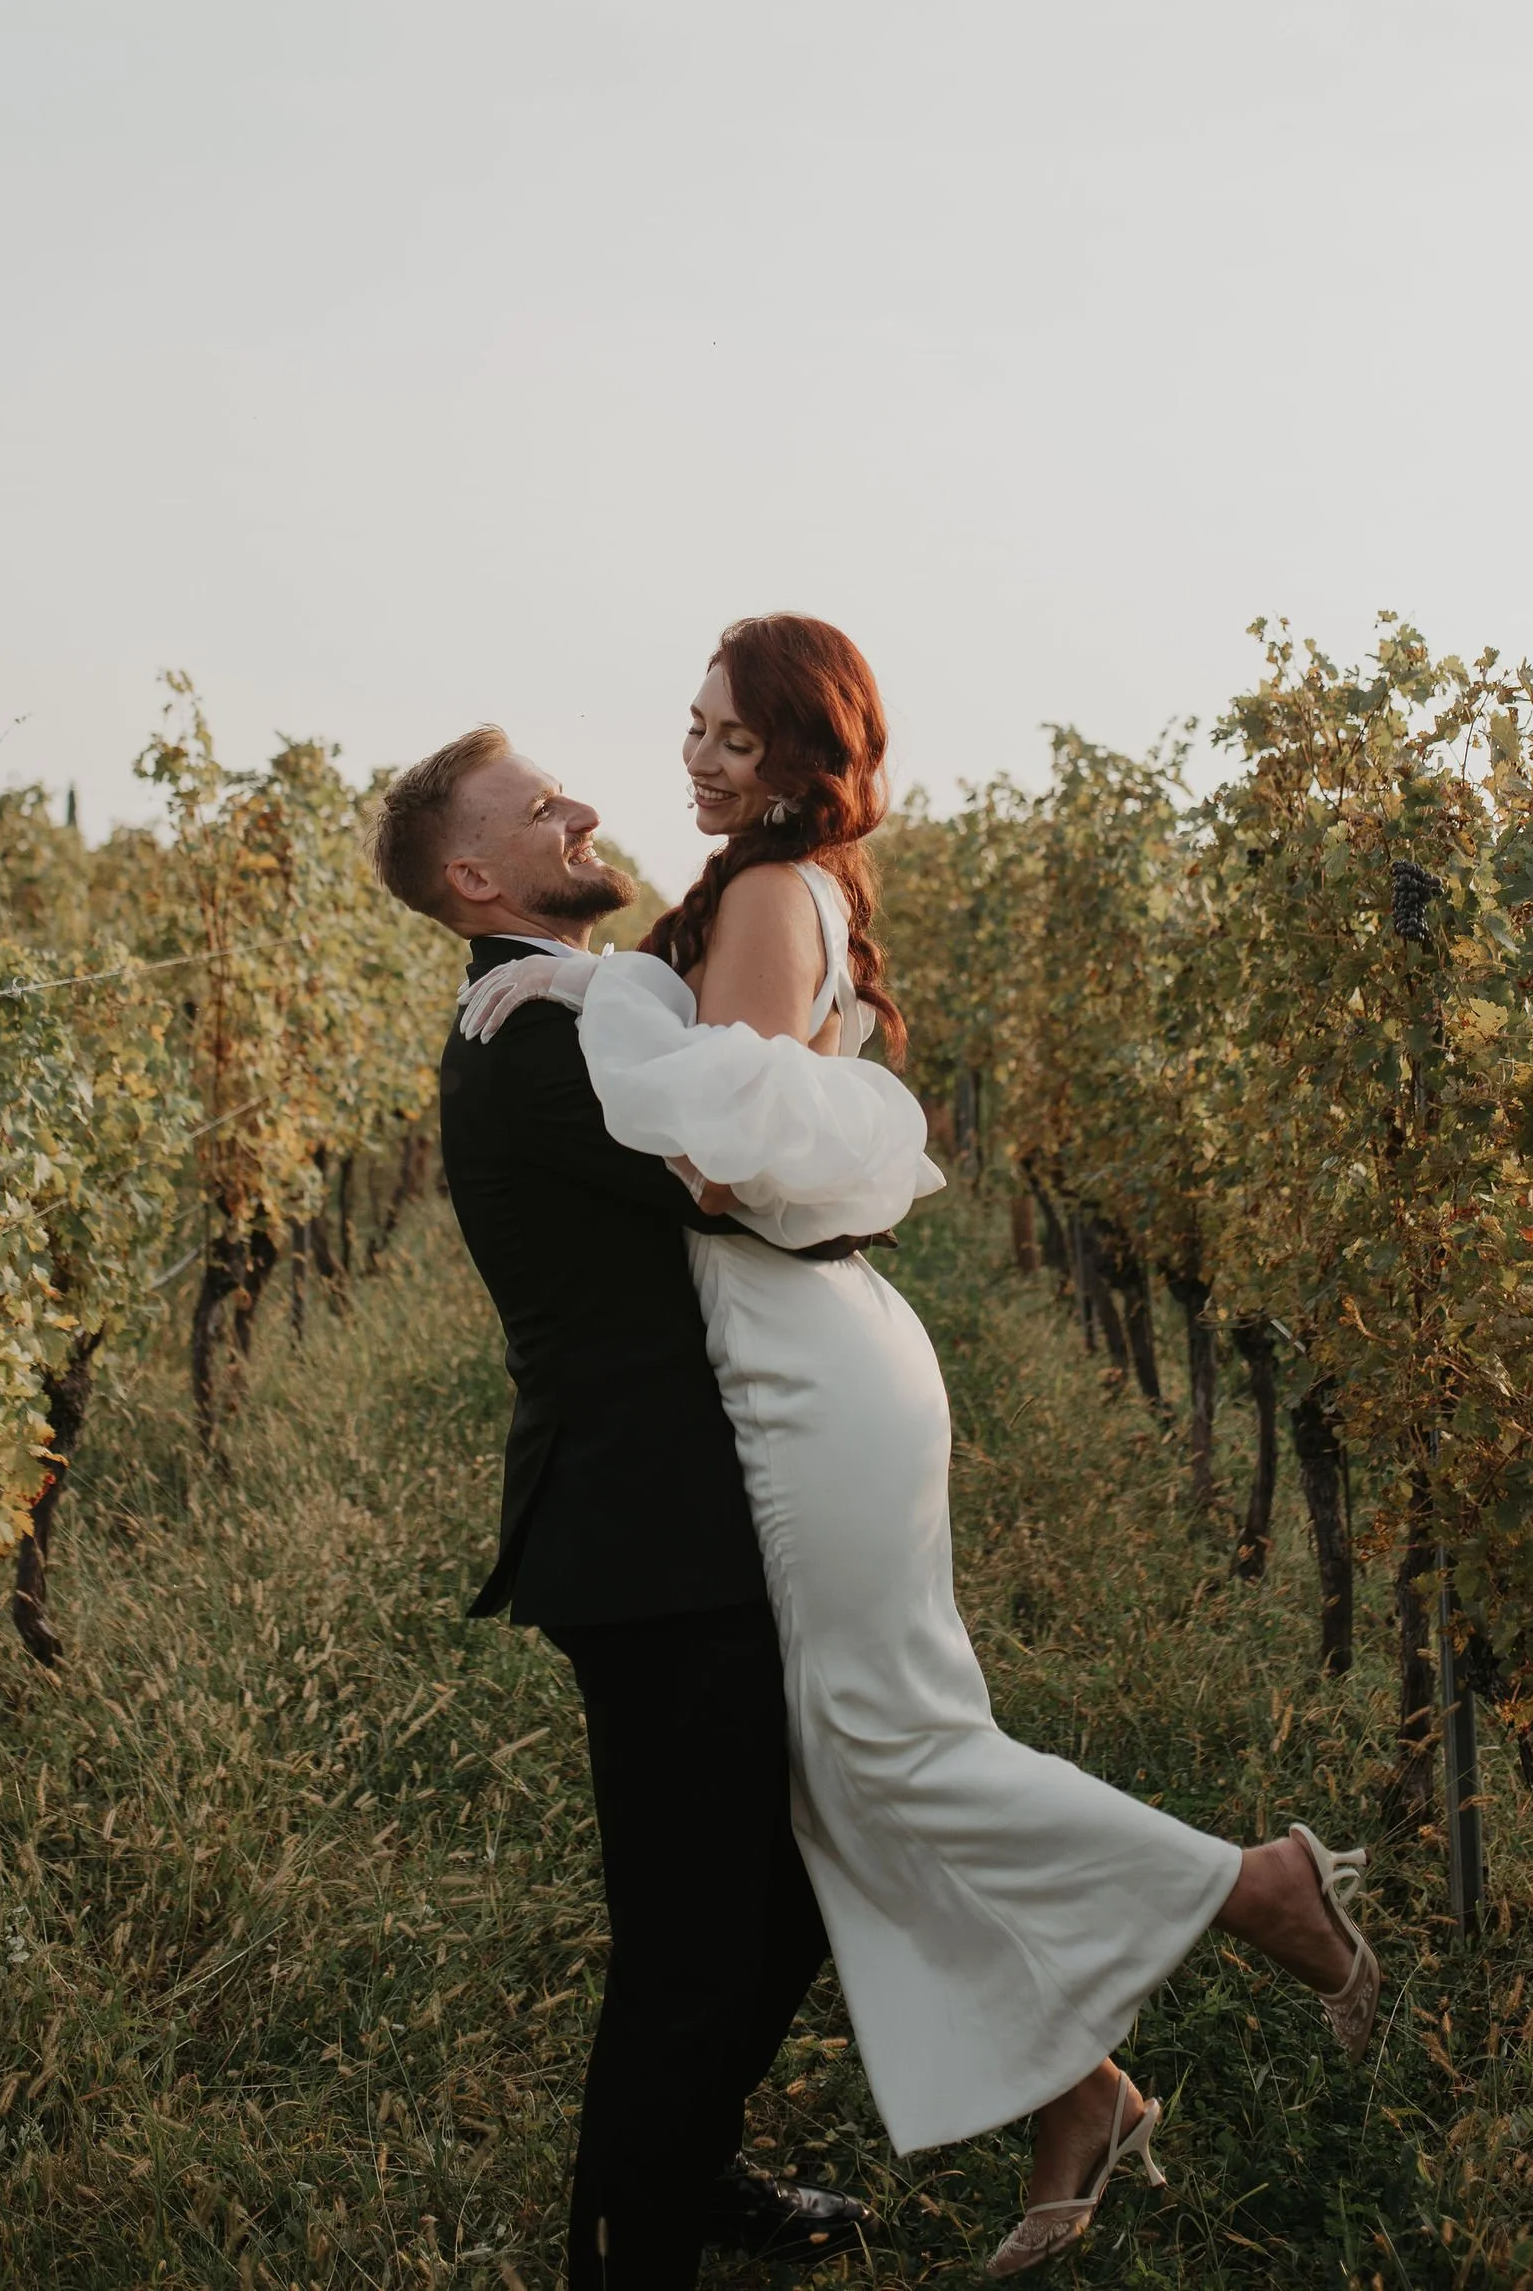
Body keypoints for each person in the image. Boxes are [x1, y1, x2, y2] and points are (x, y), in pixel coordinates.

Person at [458, 617, 1383, 2280]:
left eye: (734, 739)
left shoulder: (757, 894)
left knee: (886, 1750)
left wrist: (589, 993)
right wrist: (608, 987)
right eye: (694, 728)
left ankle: (1250, 1889)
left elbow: (728, 1159)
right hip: (817, 1349)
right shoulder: (781, 889)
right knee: (848, 1770)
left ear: (807, 753)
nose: (697, 760)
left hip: (801, 1361)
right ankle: (1075, 2087)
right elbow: (745, 1083)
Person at [370, 730, 873, 2291]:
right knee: (696, 1928)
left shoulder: (566, 1008)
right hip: (648, 1532)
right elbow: (748, 1178)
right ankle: (626, 2248)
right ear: (474, 878)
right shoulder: (529, 1037)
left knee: (777, 1885)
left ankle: (685, 2161)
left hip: (680, 1510)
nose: (584, 809)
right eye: (539, 810)